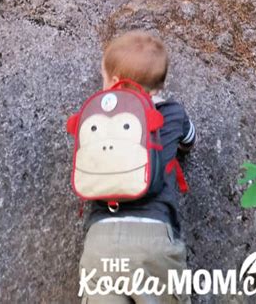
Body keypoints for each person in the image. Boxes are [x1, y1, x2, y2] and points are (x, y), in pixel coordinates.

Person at [78, 29, 195, 304]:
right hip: (155, 238)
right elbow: (189, 142)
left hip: (101, 238)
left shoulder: (95, 120)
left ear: (114, 82)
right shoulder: (173, 113)